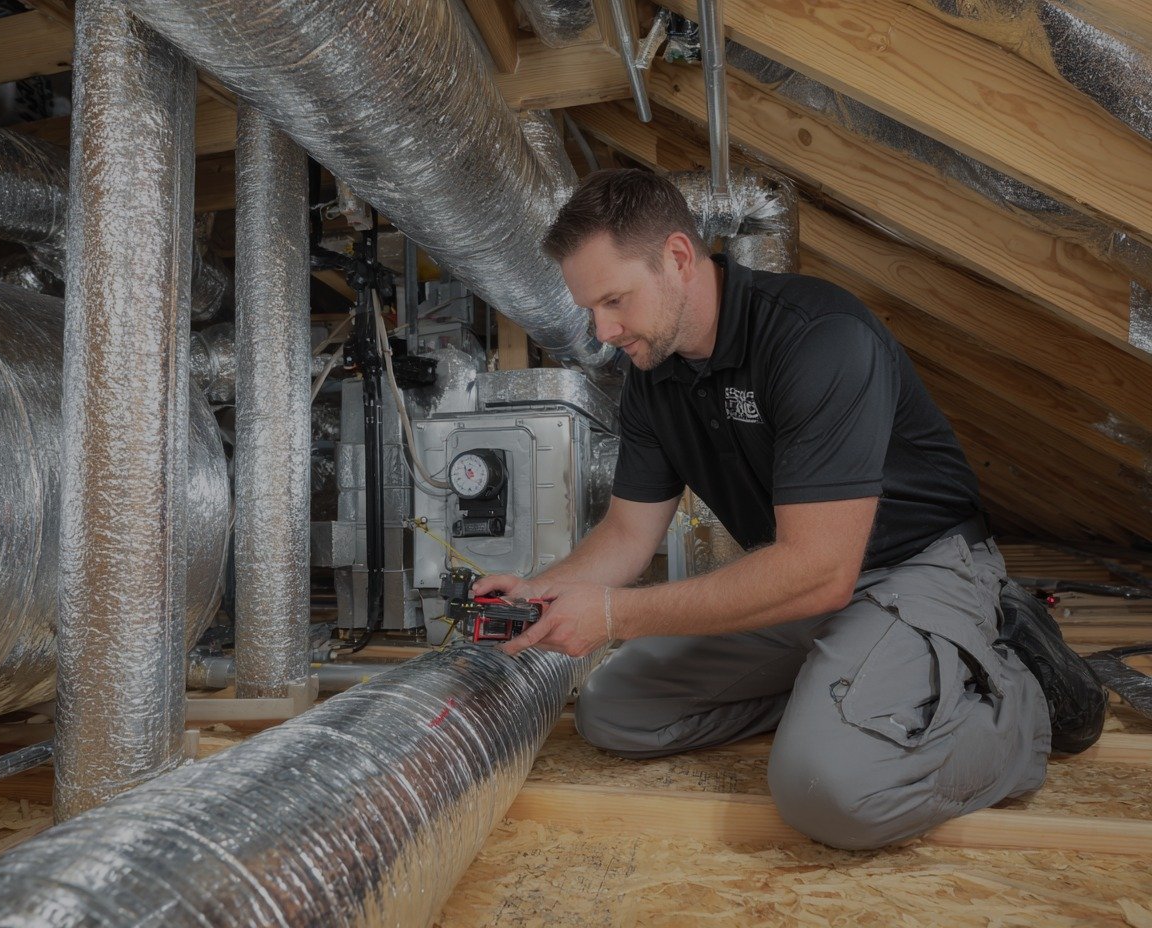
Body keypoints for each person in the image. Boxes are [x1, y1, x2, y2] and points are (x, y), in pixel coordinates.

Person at [473, 169, 1104, 851]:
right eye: (590, 308)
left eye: (615, 300)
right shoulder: (653, 381)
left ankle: (1025, 705)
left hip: (916, 570)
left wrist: (611, 615)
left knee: (832, 792)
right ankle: (844, 694)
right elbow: (627, 534)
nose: (602, 329)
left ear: (679, 259)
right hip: (803, 591)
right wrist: (544, 591)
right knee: (615, 712)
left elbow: (821, 570)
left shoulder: (818, 336)